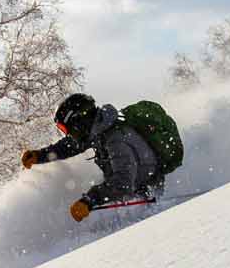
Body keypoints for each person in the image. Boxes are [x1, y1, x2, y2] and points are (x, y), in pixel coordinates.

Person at [21, 93, 165, 221]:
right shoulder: (98, 130)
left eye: (67, 129)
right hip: (130, 191)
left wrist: (90, 200)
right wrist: (39, 156)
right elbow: (69, 146)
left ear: (79, 123)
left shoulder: (115, 139)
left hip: (147, 196)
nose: (69, 134)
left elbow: (123, 182)